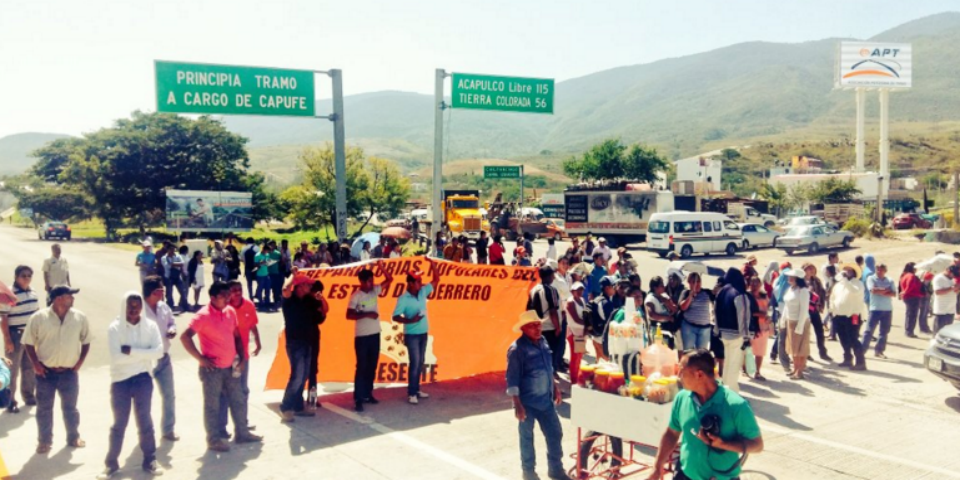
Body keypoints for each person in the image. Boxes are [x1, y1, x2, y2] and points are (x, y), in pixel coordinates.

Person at [646, 349, 763, 480]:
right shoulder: (682, 398)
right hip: (685, 475)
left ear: (699, 375)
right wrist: (657, 467)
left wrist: (724, 444)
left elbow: (757, 445)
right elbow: (672, 433)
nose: (678, 375)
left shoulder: (736, 406)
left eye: (682, 370)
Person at [180, 281, 262, 451]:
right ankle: (213, 439)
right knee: (213, 405)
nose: (227, 299)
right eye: (223, 296)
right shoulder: (203, 316)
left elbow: (237, 336)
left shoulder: (230, 311)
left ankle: (242, 433)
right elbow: (185, 337)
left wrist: (241, 357)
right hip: (213, 370)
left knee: (238, 400)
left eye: (228, 295)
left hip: (231, 366)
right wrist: (200, 359)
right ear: (212, 298)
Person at [99, 292, 164, 479]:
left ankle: (150, 459)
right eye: (130, 306)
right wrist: (144, 354)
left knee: (145, 421)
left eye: (137, 306)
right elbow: (116, 358)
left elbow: (159, 352)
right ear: (123, 307)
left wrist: (131, 351)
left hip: (143, 378)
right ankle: (111, 464)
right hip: (121, 381)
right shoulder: (114, 328)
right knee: (119, 423)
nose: (134, 310)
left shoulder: (150, 326)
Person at [23, 284, 90, 454]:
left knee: (71, 408)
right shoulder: (38, 318)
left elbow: (86, 340)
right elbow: (28, 343)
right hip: (45, 373)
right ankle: (44, 441)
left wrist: (80, 362)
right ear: (58, 298)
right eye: (70, 295)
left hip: (69, 373)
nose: (73, 298)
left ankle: (73, 437)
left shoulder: (79, 317)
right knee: (44, 409)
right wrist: (36, 365)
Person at [506, 311, 569, 480]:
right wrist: (517, 405)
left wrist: (554, 387)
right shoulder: (517, 350)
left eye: (539, 324)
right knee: (527, 439)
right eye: (532, 325)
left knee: (555, 433)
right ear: (524, 328)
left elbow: (548, 369)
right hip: (526, 403)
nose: (537, 328)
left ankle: (556, 470)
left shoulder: (543, 342)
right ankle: (529, 473)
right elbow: (512, 380)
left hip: (545, 400)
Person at [279, 271, 329, 421]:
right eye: (307, 284)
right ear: (299, 286)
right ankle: (286, 406)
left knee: (303, 376)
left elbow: (325, 311)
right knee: (296, 376)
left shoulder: (309, 300)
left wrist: (322, 299)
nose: (310, 286)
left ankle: (298, 407)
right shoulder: (290, 299)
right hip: (295, 343)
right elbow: (285, 289)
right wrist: (293, 276)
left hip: (308, 342)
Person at [392, 259, 442, 404]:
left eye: (420, 280)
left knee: (420, 362)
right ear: (410, 283)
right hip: (411, 335)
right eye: (418, 281)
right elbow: (395, 316)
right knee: (415, 363)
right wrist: (410, 321)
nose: (421, 283)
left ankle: (417, 389)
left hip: (423, 333)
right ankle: (411, 393)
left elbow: (436, 279)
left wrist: (433, 264)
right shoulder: (403, 299)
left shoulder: (422, 292)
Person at [346, 262, 394, 412]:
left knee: (372, 366)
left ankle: (368, 393)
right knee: (361, 367)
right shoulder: (356, 296)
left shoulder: (374, 291)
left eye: (372, 280)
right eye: (368, 281)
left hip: (375, 334)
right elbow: (349, 315)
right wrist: (367, 314)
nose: (371, 283)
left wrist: (381, 267)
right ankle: (358, 399)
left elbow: (390, 279)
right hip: (362, 336)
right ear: (361, 281)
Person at [217, 280, 261, 437]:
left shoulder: (249, 305)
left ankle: (243, 423)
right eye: (234, 290)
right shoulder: (224, 308)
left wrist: (258, 341)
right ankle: (221, 428)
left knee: (243, 390)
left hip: (243, 357)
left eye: (239, 289)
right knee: (224, 393)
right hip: (226, 357)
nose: (237, 293)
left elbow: (253, 325)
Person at [142, 276, 179, 441]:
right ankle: (145, 431)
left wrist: (172, 329)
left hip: (163, 358)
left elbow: (172, 321)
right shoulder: (139, 309)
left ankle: (168, 429)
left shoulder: (164, 307)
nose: (163, 292)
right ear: (151, 292)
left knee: (169, 395)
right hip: (145, 361)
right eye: (160, 290)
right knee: (144, 399)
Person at [1, 265, 39, 413]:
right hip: (15, 335)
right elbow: (3, 318)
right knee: (12, 370)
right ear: (16, 277)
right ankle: (10, 400)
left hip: (30, 335)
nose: (27, 278)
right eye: (24, 275)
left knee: (29, 368)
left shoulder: (33, 292)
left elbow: (37, 314)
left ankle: (28, 396)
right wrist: (7, 339)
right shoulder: (9, 294)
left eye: (29, 275)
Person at [714, 268, 753, 391]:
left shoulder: (721, 292)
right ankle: (731, 393)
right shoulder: (739, 293)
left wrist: (717, 330)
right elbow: (743, 317)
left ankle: (724, 389)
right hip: (737, 335)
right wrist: (746, 337)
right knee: (734, 365)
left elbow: (715, 312)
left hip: (723, 334)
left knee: (727, 363)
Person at [830, 264, 867, 370]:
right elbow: (833, 297)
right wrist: (832, 310)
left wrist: (845, 280)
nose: (846, 273)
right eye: (845, 271)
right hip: (838, 315)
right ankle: (847, 359)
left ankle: (860, 362)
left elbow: (854, 291)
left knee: (853, 339)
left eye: (849, 271)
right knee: (843, 338)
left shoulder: (858, 284)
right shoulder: (838, 285)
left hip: (853, 315)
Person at [529, 265, 563, 373]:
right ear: (548, 276)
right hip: (550, 328)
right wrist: (557, 327)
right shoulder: (551, 290)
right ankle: (550, 377)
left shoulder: (534, 289)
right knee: (550, 354)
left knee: (540, 355)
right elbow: (553, 311)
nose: (554, 277)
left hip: (538, 328)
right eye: (552, 275)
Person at [861, 263, 897, 359]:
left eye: (881, 270)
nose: (879, 271)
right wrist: (886, 290)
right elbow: (873, 290)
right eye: (877, 269)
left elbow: (894, 293)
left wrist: (880, 291)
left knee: (884, 332)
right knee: (868, 331)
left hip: (887, 309)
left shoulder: (890, 280)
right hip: (875, 309)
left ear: (885, 271)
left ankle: (879, 351)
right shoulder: (871, 279)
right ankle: (861, 351)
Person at [781, 270, 811, 380]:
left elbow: (804, 310)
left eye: (792, 277)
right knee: (793, 348)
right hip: (790, 321)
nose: (789, 278)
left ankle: (799, 371)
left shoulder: (803, 291)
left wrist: (800, 326)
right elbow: (786, 306)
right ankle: (795, 369)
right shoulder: (790, 289)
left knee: (800, 348)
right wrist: (783, 320)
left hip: (800, 322)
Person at [802, 263, 832, 362]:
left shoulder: (816, 280)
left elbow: (821, 293)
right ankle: (806, 353)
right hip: (804, 310)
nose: (811, 271)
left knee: (819, 331)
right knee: (806, 333)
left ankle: (823, 352)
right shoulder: (800, 281)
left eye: (812, 269)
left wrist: (822, 302)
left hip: (814, 310)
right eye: (808, 269)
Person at [679, 272, 713, 350]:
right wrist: (690, 296)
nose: (696, 284)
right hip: (689, 327)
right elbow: (682, 307)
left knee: (702, 353)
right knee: (689, 351)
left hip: (705, 329)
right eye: (693, 282)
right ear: (689, 283)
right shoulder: (686, 293)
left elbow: (716, 297)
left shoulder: (707, 292)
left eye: (698, 281)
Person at [748, 276, 772, 381]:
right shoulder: (747, 296)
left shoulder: (764, 296)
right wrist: (760, 314)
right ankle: (746, 370)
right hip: (750, 327)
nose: (754, 286)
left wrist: (769, 317)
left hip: (763, 327)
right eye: (752, 283)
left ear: (760, 285)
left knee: (760, 352)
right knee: (747, 350)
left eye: (756, 283)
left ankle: (757, 372)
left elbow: (770, 309)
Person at [646, 276, 679, 350]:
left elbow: (675, 309)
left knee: (668, 350)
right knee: (659, 351)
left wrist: (668, 303)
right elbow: (651, 315)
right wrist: (668, 318)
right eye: (661, 285)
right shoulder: (650, 298)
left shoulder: (664, 296)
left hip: (667, 328)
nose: (663, 286)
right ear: (655, 287)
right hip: (657, 328)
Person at [565, 282, 587, 385]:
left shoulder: (582, 300)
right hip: (573, 332)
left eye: (581, 289)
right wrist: (588, 325)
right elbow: (576, 319)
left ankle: (577, 376)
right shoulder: (570, 302)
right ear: (572, 291)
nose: (580, 292)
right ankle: (573, 379)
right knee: (574, 356)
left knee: (579, 355)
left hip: (581, 332)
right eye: (577, 290)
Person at [932, 265, 959, 334]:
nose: (954, 276)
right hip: (941, 310)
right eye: (953, 274)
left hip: (951, 310)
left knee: (947, 332)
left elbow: (954, 292)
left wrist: (957, 288)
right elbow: (937, 292)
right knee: (938, 332)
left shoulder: (952, 279)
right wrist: (952, 288)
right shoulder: (938, 278)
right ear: (948, 270)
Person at [900, 262, 924, 338]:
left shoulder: (904, 275)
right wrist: (905, 292)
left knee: (909, 314)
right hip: (912, 297)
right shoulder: (911, 276)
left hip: (908, 297)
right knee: (912, 315)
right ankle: (909, 331)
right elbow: (909, 286)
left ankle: (908, 330)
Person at [161, 246, 189, 312]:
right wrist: (177, 264)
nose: (172, 251)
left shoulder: (178, 256)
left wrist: (173, 264)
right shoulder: (164, 258)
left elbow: (182, 264)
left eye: (173, 250)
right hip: (168, 277)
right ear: (168, 250)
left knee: (183, 291)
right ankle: (170, 306)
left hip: (177, 277)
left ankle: (184, 305)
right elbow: (167, 265)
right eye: (171, 249)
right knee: (169, 293)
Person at [254, 243, 274, 310]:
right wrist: (262, 263)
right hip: (260, 275)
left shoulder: (267, 254)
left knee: (268, 289)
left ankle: (267, 302)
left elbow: (267, 262)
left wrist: (269, 262)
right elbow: (256, 265)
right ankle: (261, 302)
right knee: (260, 289)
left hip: (266, 274)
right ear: (264, 249)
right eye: (267, 250)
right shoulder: (257, 255)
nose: (267, 252)